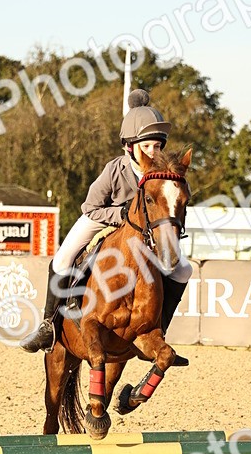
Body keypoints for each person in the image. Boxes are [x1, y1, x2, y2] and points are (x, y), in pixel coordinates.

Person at [21, 89, 192, 362]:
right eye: (146, 146)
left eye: (157, 146)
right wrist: (121, 214)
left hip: (143, 234)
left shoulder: (164, 175)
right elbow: (90, 207)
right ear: (130, 146)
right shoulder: (115, 169)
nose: (153, 151)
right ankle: (48, 325)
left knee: (183, 269)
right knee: (64, 257)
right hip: (102, 219)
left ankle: (160, 328)